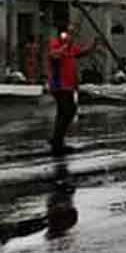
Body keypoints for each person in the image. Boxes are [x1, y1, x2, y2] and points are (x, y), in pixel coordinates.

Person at [47, 27, 97, 156]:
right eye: (69, 35)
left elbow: (82, 52)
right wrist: (65, 46)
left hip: (69, 86)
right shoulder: (56, 45)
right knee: (68, 110)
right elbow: (54, 55)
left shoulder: (71, 49)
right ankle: (57, 140)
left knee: (64, 112)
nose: (71, 37)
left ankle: (57, 139)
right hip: (60, 86)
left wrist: (94, 45)